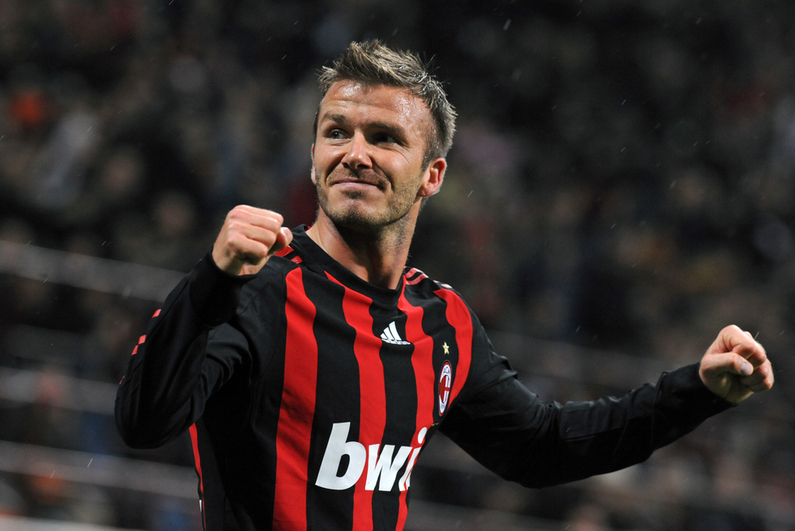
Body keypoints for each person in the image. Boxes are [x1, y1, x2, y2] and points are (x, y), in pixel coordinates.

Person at [115, 40, 774, 531]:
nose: (354, 152)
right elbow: (145, 422)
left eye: (383, 137)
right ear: (313, 157)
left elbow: (540, 448)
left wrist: (698, 391)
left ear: (431, 175)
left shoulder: (441, 321)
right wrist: (209, 281)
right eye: (334, 132)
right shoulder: (252, 290)